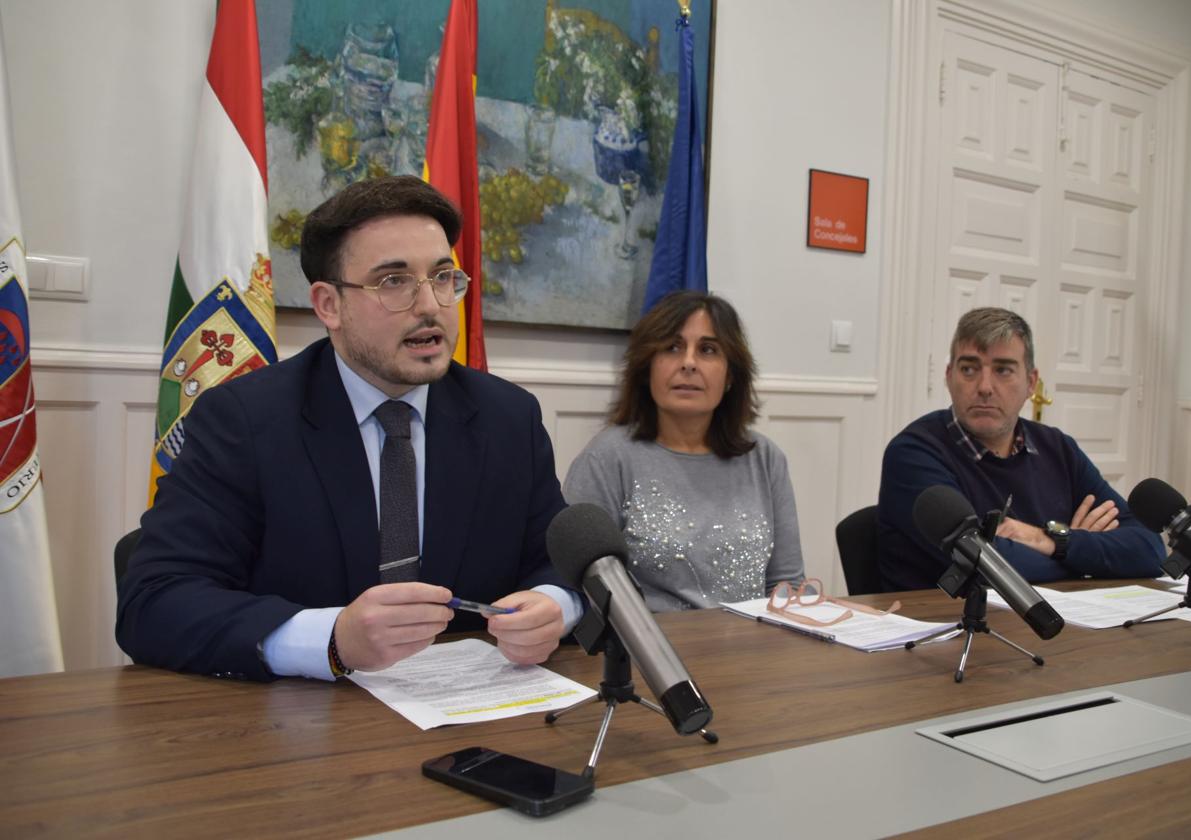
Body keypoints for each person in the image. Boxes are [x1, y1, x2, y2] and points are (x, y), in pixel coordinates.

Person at [117, 176, 581, 681]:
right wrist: (333, 639)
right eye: (394, 281)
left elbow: (559, 561)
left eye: (443, 277)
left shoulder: (507, 417)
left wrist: (553, 605)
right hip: (296, 731)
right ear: (328, 306)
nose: (431, 306)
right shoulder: (243, 420)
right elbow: (155, 601)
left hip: (468, 719)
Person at [877, 306, 1164, 591]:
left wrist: (1046, 539)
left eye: (1003, 370)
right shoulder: (913, 453)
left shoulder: (1058, 448)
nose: (985, 386)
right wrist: (1081, 550)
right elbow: (982, 568)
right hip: (942, 626)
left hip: (1052, 625)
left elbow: (1150, 550)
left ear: (1030, 382)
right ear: (949, 376)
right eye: (969, 369)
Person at [563, 291, 804, 611]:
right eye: (672, 347)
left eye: (707, 350)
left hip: (752, 651)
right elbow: (580, 591)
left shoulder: (765, 458)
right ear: (647, 367)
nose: (688, 363)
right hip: (647, 652)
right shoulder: (607, 458)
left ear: (730, 375)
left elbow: (787, 586)